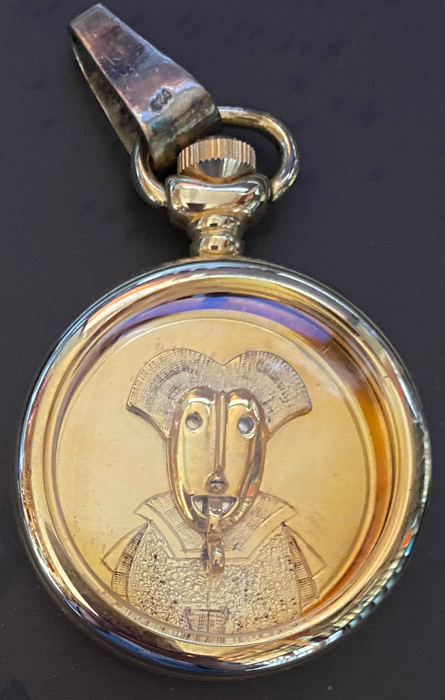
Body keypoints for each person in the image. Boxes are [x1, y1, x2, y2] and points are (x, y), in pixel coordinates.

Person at [103, 348, 324, 635]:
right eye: (194, 424)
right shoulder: (156, 529)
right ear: (174, 446)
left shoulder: (274, 532)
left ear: (258, 448)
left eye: (243, 427)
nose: (218, 474)